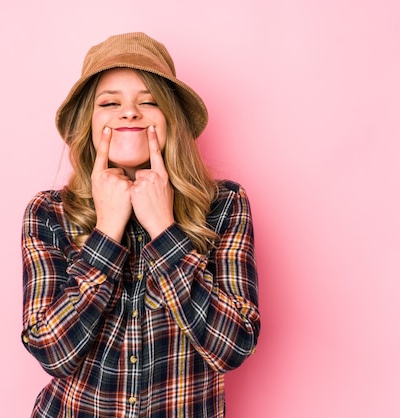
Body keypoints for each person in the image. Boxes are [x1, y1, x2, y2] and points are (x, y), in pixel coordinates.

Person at [21, 32, 260, 418]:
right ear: (89, 122)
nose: (129, 112)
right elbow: (51, 349)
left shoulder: (225, 206)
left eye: (148, 101)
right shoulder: (48, 214)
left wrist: (165, 231)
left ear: (171, 120)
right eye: (110, 102)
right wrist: (107, 233)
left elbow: (232, 346)